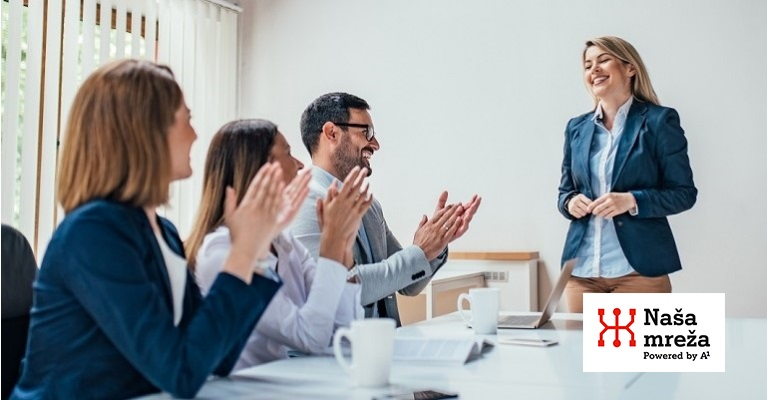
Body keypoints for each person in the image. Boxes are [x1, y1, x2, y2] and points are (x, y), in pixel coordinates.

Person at [11, 60, 300, 399]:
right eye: (187, 119)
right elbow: (180, 372)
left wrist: (257, 252)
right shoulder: (92, 233)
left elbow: (217, 359)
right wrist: (242, 253)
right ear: (146, 130)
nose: (194, 134)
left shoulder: (162, 231)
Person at [187, 119, 370, 368]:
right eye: (288, 152)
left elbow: (344, 336)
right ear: (260, 169)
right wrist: (331, 248)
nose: (299, 164)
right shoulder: (220, 252)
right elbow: (310, 338)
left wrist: (343, 251)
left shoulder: (285, 244)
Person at [291, 92, 482, 326]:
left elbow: (407, 283)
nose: (376, 144)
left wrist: (436, 244)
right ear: (332, 133)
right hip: (333, 356)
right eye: (366, 132)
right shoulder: (305, 202)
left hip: (384, 348)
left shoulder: (370, 206)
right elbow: (339, 289)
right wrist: (419, 252)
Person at [557, 36, 697, 313]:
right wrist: (570, 203)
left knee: (634, 358)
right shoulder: (576, 128)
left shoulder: (659, 121)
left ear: (630, 68)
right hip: (581, 273)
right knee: (579, 357)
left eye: (603, 60)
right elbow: (564, 193)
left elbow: (684, 194)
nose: (593, 69)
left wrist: (632, 200)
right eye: (588, 65)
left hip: (638, 273)